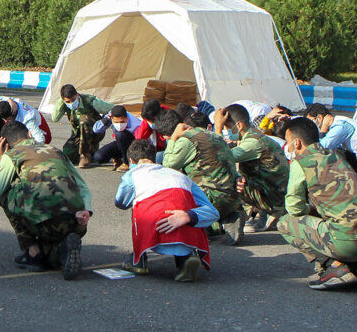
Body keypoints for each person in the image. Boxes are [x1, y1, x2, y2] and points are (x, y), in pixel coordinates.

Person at [279, 117, 357, 301]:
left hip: (348, 239)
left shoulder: (301, 162)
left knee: (285, 223)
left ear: (297, 142)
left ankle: (335, 268)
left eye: (288, 143)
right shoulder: (337, 156)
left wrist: (311, 211)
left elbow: (293, 208)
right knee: (341, 227)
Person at [0, 119, 92, 279]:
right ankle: (60, 250)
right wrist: (86, 211)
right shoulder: (56, 150)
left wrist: (2, 161)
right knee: (53, 250)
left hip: (44, 223)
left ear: (6, 144)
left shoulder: (12, 155)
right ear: (29, 134)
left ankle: (33, 252)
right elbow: (83, 187)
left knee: (6, 193)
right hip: (76, 221)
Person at [114, 140, 217, 281]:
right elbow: (213, 213)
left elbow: (120, 202)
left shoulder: (133, 175)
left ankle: (138, 260)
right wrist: (188, 216)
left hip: (153, 228)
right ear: (155, 158)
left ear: (131, 160)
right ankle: (185, 259)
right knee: (190, 210)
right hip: (185, 229)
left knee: (137, 204)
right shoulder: (181, 177)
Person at [159, 107, 244, 245]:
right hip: (232, 197)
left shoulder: (185, 140)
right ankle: (227, 218)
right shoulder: (214, 135)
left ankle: (211, 225)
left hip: (210, 199)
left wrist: (174, 138)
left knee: (175, 191)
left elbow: (168, 165)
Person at [222, 103, 290, 233]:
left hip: (273, 195)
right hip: (274, 189)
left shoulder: (253, 143)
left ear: (239, 125)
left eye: (227, 127)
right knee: (240, 176)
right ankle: (256, 212)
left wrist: (218, 128)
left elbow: (223, 157)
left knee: (227, 178)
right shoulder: (253, 136)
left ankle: (264, 214)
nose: (227, 132)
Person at [49, 84, 112, 167]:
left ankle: (85, 155)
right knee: (67, 155)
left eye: (73, 100)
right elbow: (55, 118)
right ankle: (93, 152)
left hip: (95, 132)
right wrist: (62, 102)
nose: (71, 103)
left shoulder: (90, 100)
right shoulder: (64, 104)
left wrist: (105, 121)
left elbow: (112, 109)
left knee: (83, 120)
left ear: (77, 95)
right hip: (79, 134)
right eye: (68, 101)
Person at [93, 105, 142, 171]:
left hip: (134, 144)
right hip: (120, 144)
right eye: (116, 122)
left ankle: (127, 163)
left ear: (127, 118)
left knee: (120, 134)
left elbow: (143, 142)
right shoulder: (110, 116)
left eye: (122, 122)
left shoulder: (136, 124)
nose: (119, 124)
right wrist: (107, 119)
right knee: (98, 157)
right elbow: (96, 130)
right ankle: (117, 157)